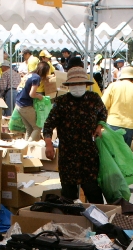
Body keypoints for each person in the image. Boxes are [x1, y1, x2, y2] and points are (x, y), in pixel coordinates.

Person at [42, 67, 107, 204]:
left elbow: (103, 114)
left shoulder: (94, 99)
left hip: (88, 153)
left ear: (86, 85)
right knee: (68, 195)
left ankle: (100, 221)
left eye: (80, 84)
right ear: (69, 86)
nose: (77, 87)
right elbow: (48, 125)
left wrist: (99, 126)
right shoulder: (61, 102)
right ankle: (70, 222)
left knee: (92, 190)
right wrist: (48, 144)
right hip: (68, 155)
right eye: (74, 85)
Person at [101, 66, 133, 147]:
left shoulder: (112, 86)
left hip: (112, 124)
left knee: (112, 152)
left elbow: (103, 104)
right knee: (125, 154)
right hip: (129, 126)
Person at [15, 61, 51, 141]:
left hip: (18, 103)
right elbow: (32, 94)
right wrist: (40, 96)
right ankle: (28, 146)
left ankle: (26, 149)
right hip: (25, 105)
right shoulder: (37, 78)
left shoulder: (29, 75)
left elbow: (19, 88)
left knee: (29, 128)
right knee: (37, 127)